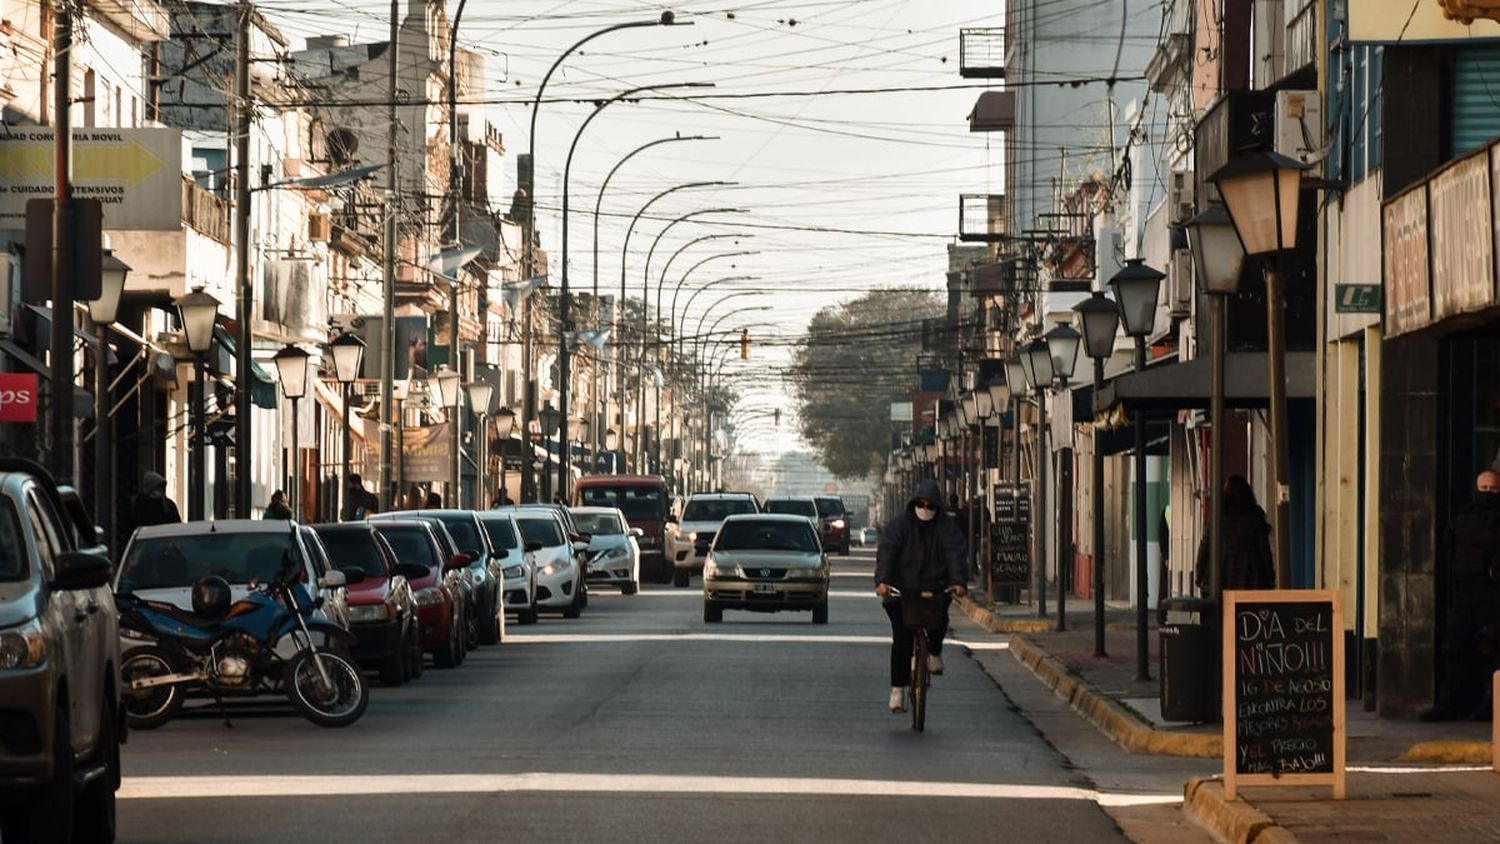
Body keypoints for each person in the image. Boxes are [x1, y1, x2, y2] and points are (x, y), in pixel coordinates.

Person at [875, 478, 968, 714]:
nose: (925, 510)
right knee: (902, 638)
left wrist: (957, 581)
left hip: (934, 587)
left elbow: (955, 554)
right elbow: (887, 553)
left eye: (930, 506)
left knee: (939, 623)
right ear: (914, 503)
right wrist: (883, 581)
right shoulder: (900, 525)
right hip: (901, 590)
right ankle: (897, 690)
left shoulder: (946, 528)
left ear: (937, 507)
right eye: (922, 504)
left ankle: (934, 651)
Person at [1421, 469, 1500, 721]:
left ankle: (1491, 707)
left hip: (1491, 595)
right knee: (1453, 647)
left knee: (1490, 649)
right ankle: (1448, 704)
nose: (1487, 494)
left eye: (1492, 489)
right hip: (1465, 592)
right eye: (1483, 488)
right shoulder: (1464, 515)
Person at [1194, 475, 1275, 595]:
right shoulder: (1255, 516)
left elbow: (1204, 548)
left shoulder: (1218, 516)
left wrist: (1199, 576)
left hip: (1219, 580)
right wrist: (1270, 579)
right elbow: (1264, 552)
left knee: (1220, 612)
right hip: (1250, 582)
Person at [123, 471, 181, 539]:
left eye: (161, 488)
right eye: (158, 488)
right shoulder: (137, 504)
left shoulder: (168, 505)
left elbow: (177, 528)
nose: (160, 491)